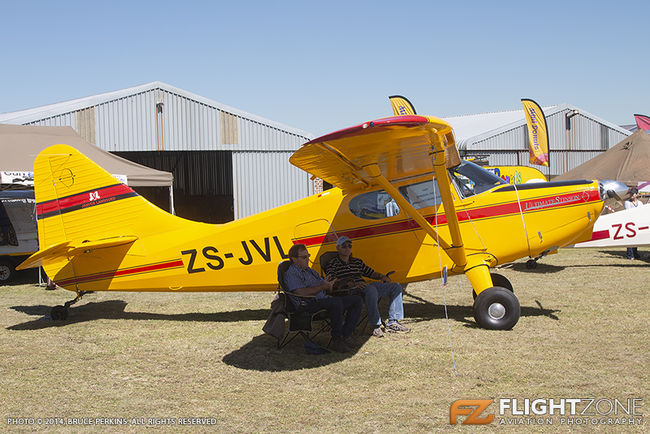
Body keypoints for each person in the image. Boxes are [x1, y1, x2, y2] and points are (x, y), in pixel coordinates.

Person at [283, 243, 362, 353]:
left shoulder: (309, 270)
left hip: (322, 300)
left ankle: (345, 335)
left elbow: (324, 286)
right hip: (306, 304)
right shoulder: (292, 273)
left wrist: (329, 284)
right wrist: (322, 286)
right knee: (335, 303)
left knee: (356, 300)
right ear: (294, 259)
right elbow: (300, 292)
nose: (308, 259)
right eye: (304, 257)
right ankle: (336, 340)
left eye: (308, 256)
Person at [325, 236, 410, 338]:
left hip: (365, 287)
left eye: (349, 246)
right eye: (344, 246)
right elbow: (332, 279)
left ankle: (393, 322)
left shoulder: (357, 262)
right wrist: (351, 283)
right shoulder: (333, 264)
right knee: (371, 289)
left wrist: (381, 276)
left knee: (395, 286)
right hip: (349, 290)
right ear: (337, 248)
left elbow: (370, 273)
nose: (347, 248)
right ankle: (375, 326)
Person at [624, 187, 642, 260]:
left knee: (636, 239)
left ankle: (635, 253)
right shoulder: (627, 202)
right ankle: (630, 255)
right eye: (631, 193)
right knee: (630, 239)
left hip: (637, 223)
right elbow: (629, 212)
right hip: (629, 223)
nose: (631, 195)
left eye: (633, 193)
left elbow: (641, 212)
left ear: (636, 195)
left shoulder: (640, 203)